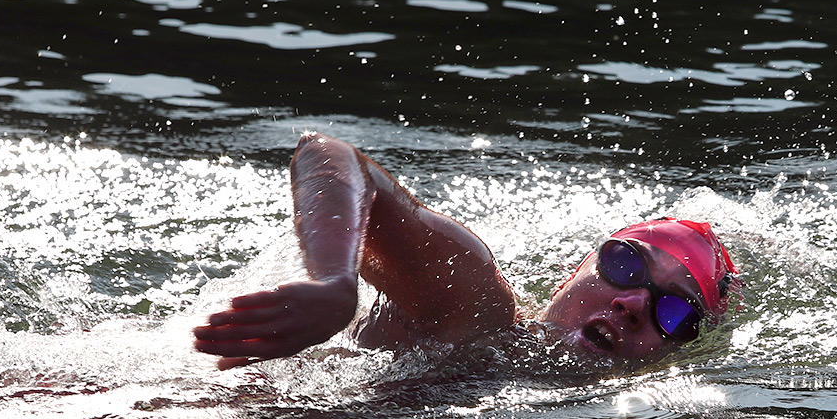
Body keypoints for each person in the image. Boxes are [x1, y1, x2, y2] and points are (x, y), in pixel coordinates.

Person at [193, 133, 738, 372]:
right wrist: (335, 281)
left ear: (683, 351)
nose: (632, 304)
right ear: (574, 271)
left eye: (675, 309)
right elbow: (329, 156)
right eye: (626, 264)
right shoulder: (477, 307)